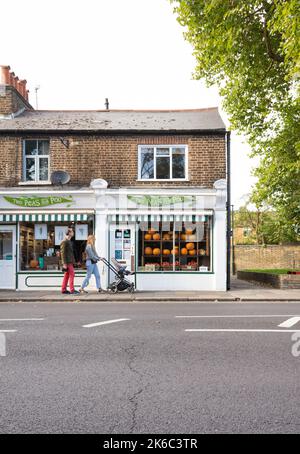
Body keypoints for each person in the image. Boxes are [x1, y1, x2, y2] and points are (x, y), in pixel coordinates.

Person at [60, 227, 80, 295]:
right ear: (69, 233)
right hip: (67, 262)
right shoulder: (64, 241)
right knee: (72, 274)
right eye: (72, 231)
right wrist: (64, 263)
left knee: (67, 275)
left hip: (69, 261)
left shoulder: (68, 241)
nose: (73, 232)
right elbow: (63, 253)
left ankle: (63, 289)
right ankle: (72, 290)